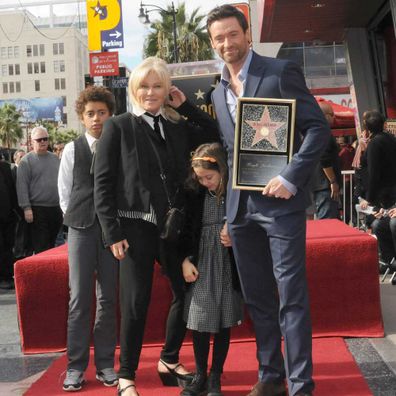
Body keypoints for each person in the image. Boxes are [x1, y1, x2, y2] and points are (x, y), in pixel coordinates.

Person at [207, 5, 330, 396]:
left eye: (232, 34)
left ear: (247, 34)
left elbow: (316, 130)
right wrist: (228, 213)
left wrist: (290, 177)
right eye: (218, 38)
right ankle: (271, 376)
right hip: (241, 211)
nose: (227, 43)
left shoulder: (279, 72)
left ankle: (300, 385)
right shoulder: (217, 90)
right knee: (258, 299)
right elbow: (230, 153)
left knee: (291, 297)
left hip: (281, 207)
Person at [93, 57, 219, 396]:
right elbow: (102, 184)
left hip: (174, 227)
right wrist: (112, 232)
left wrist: (187, 106)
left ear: (167, 90)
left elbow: (212, 135)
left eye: (158, 86)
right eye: (144, 86)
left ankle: (168, 358)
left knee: (188, 292)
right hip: (134, 229)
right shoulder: (117, 126)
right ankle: (126, 376)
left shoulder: (176, 125)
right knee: (136, 301)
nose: (150, 92)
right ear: (134, 88)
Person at [58, 86, 119, 392]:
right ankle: (75, 367)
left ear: (111, 114)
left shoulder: (119, 145)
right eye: (90, 113)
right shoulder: (72, 149)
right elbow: (65, 195)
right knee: (80, 299)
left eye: (102, 112)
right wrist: (80, 220)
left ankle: (106, 364)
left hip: (112, 233)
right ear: (82, 117)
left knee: (108, 298)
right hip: (80, 229)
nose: (97, 119)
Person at [180, 143, 243, 396]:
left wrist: (235, 233)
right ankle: (200, 375)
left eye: (209, 177)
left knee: (223, 319)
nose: (205, 182)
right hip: (202, 261)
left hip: (228, 263)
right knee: (200, 319)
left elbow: (250, 223)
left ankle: (216, 375)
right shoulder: (192, 194)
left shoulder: (235, 193)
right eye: (200, 178)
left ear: (222, 170)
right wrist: (184, 259)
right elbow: (181, 231)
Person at [16, 126, 63, 254]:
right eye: (39, 139)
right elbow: (22, 186)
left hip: (56, 208)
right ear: (32, 142)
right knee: (42, 246)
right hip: (37, 209)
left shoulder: (55, 159)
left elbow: (62, 182)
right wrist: (26, 208)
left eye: (45, 139)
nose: (43, 142)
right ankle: (43, 272)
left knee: (53, 244)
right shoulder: (26, 161)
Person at [311, 102, 342, 219]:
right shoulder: (323, 131)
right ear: (324, 115)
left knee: (330, 220)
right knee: (328, 221)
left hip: (322, 185)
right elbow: (324, 158)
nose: (334, 117)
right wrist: (333, 182)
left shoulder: (316, 130)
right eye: (332, 114)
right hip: (325, 186)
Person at [0, 160, 18, 290]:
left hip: (7, 216)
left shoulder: (6, 168)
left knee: (7, 245)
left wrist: (17, 212)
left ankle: (6, 276)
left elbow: (12, 190)